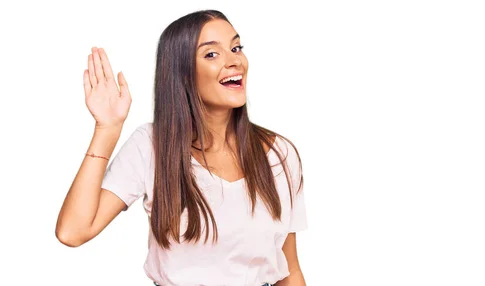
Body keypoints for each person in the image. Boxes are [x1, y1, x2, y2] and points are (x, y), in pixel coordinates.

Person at [55, 9, 308, 286]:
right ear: (182, 73)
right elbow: (73, 231)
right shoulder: (151, 146)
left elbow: (290, 270)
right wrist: (107, 129)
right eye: (212, 54)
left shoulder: (279, 154)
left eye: (236, 47)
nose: (234, 60)